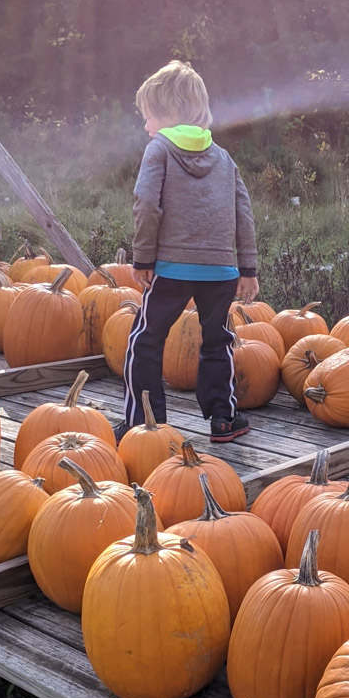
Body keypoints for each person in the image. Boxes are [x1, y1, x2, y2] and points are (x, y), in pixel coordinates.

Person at [118, 59, 259, 443]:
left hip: (171, 267)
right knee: (218, 341)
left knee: (144, 341)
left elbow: (146, 204)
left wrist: (143, 258)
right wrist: (248, 268)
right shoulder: (224, 158)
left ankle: (144, 423)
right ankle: (224, 419)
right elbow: (243, 212)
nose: (146, 126)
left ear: (170, 114)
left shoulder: (159, 149)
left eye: (149, 117)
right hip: (220, 271)